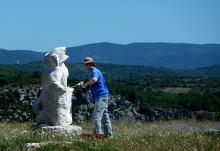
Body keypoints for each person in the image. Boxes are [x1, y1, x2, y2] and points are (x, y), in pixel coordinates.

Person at [81, 57, 113, 138]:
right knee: (105, 117)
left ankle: (98, 136)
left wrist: (85, 85)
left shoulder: (94, 71)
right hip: (103, 96)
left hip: (100, 96)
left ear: (91, 64)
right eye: (85, 64)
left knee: (96, 117)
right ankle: (109, 136)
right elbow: (93, 81)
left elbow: (94, 80)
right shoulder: (95, 71)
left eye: (87, 64)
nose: (86, 66)